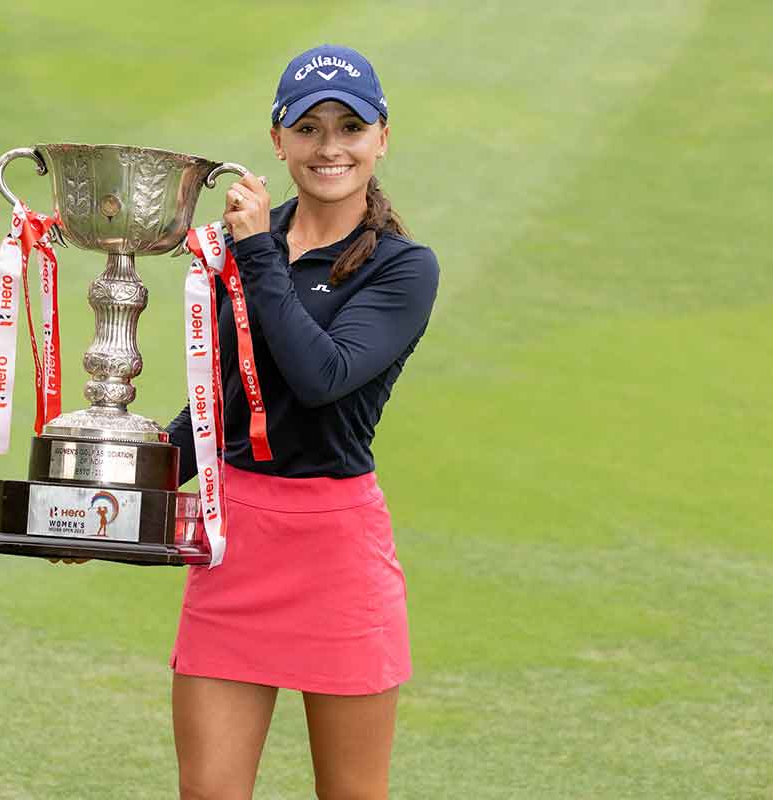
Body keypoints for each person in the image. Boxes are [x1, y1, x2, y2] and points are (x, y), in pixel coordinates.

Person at [165, 44, 440, 800]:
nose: (330, 148)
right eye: (310, 128)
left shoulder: (401, 268)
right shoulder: (242, 245)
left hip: (337, 554)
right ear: (278, 138)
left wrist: (259, 255)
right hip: (235, 547)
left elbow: (320, 379)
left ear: (381, 136)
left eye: (350, 127)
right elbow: (218, 402)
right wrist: (111, 506)